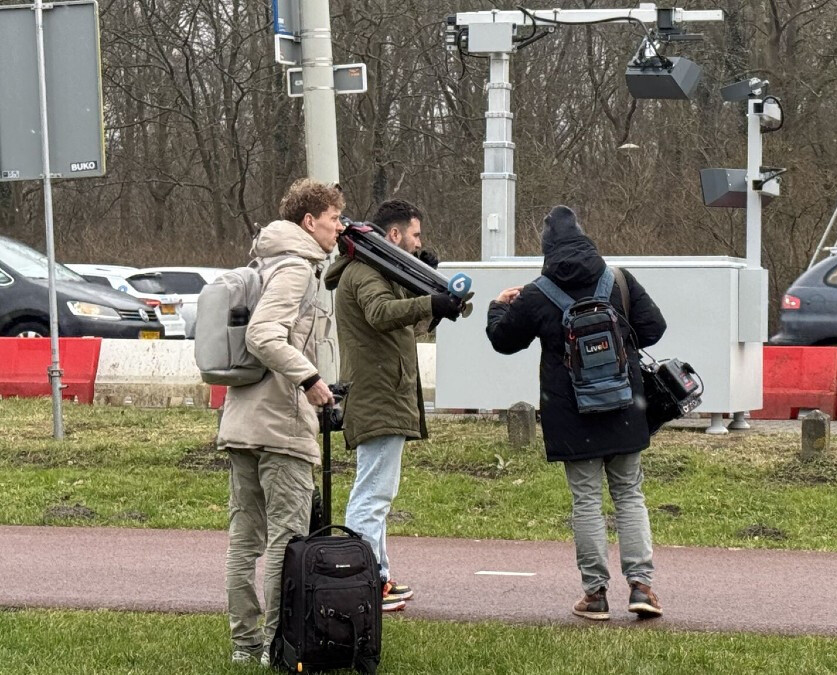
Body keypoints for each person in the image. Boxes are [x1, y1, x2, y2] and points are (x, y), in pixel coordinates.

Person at [486, 205, 668, 621]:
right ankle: (641, 587)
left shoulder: (538, 292)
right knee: (629, 494)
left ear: (547, 249)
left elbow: (503, 340)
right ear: (586, 238)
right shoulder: (618, 280)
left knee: (586, 501)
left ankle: (596, 595)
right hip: (624, 405)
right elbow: (654, 329)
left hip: (572, 415)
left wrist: (499, 305)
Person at [218, 178, 343, 665]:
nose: (338, 228)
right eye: (333, 218)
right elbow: (263, 335)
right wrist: (310, 378)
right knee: (285, 543)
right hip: (279, 426)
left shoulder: (264, 262)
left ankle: (244, 647)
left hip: (243, 421)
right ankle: (275, 645)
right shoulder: (295, 268)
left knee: (243, 540)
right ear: (309, 222)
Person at [324, 199, 461, 612]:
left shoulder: (378, 270)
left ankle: (378, 574)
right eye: (415, 236)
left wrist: (429, 297)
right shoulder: (364, 270)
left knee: (377, 492)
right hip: (378, 394)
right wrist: (430, 302)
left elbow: (406, 319)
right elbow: (382, 313)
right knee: (372, 495)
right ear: (395, 235)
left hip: (386, 391)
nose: (420, 244)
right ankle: (364, 582)